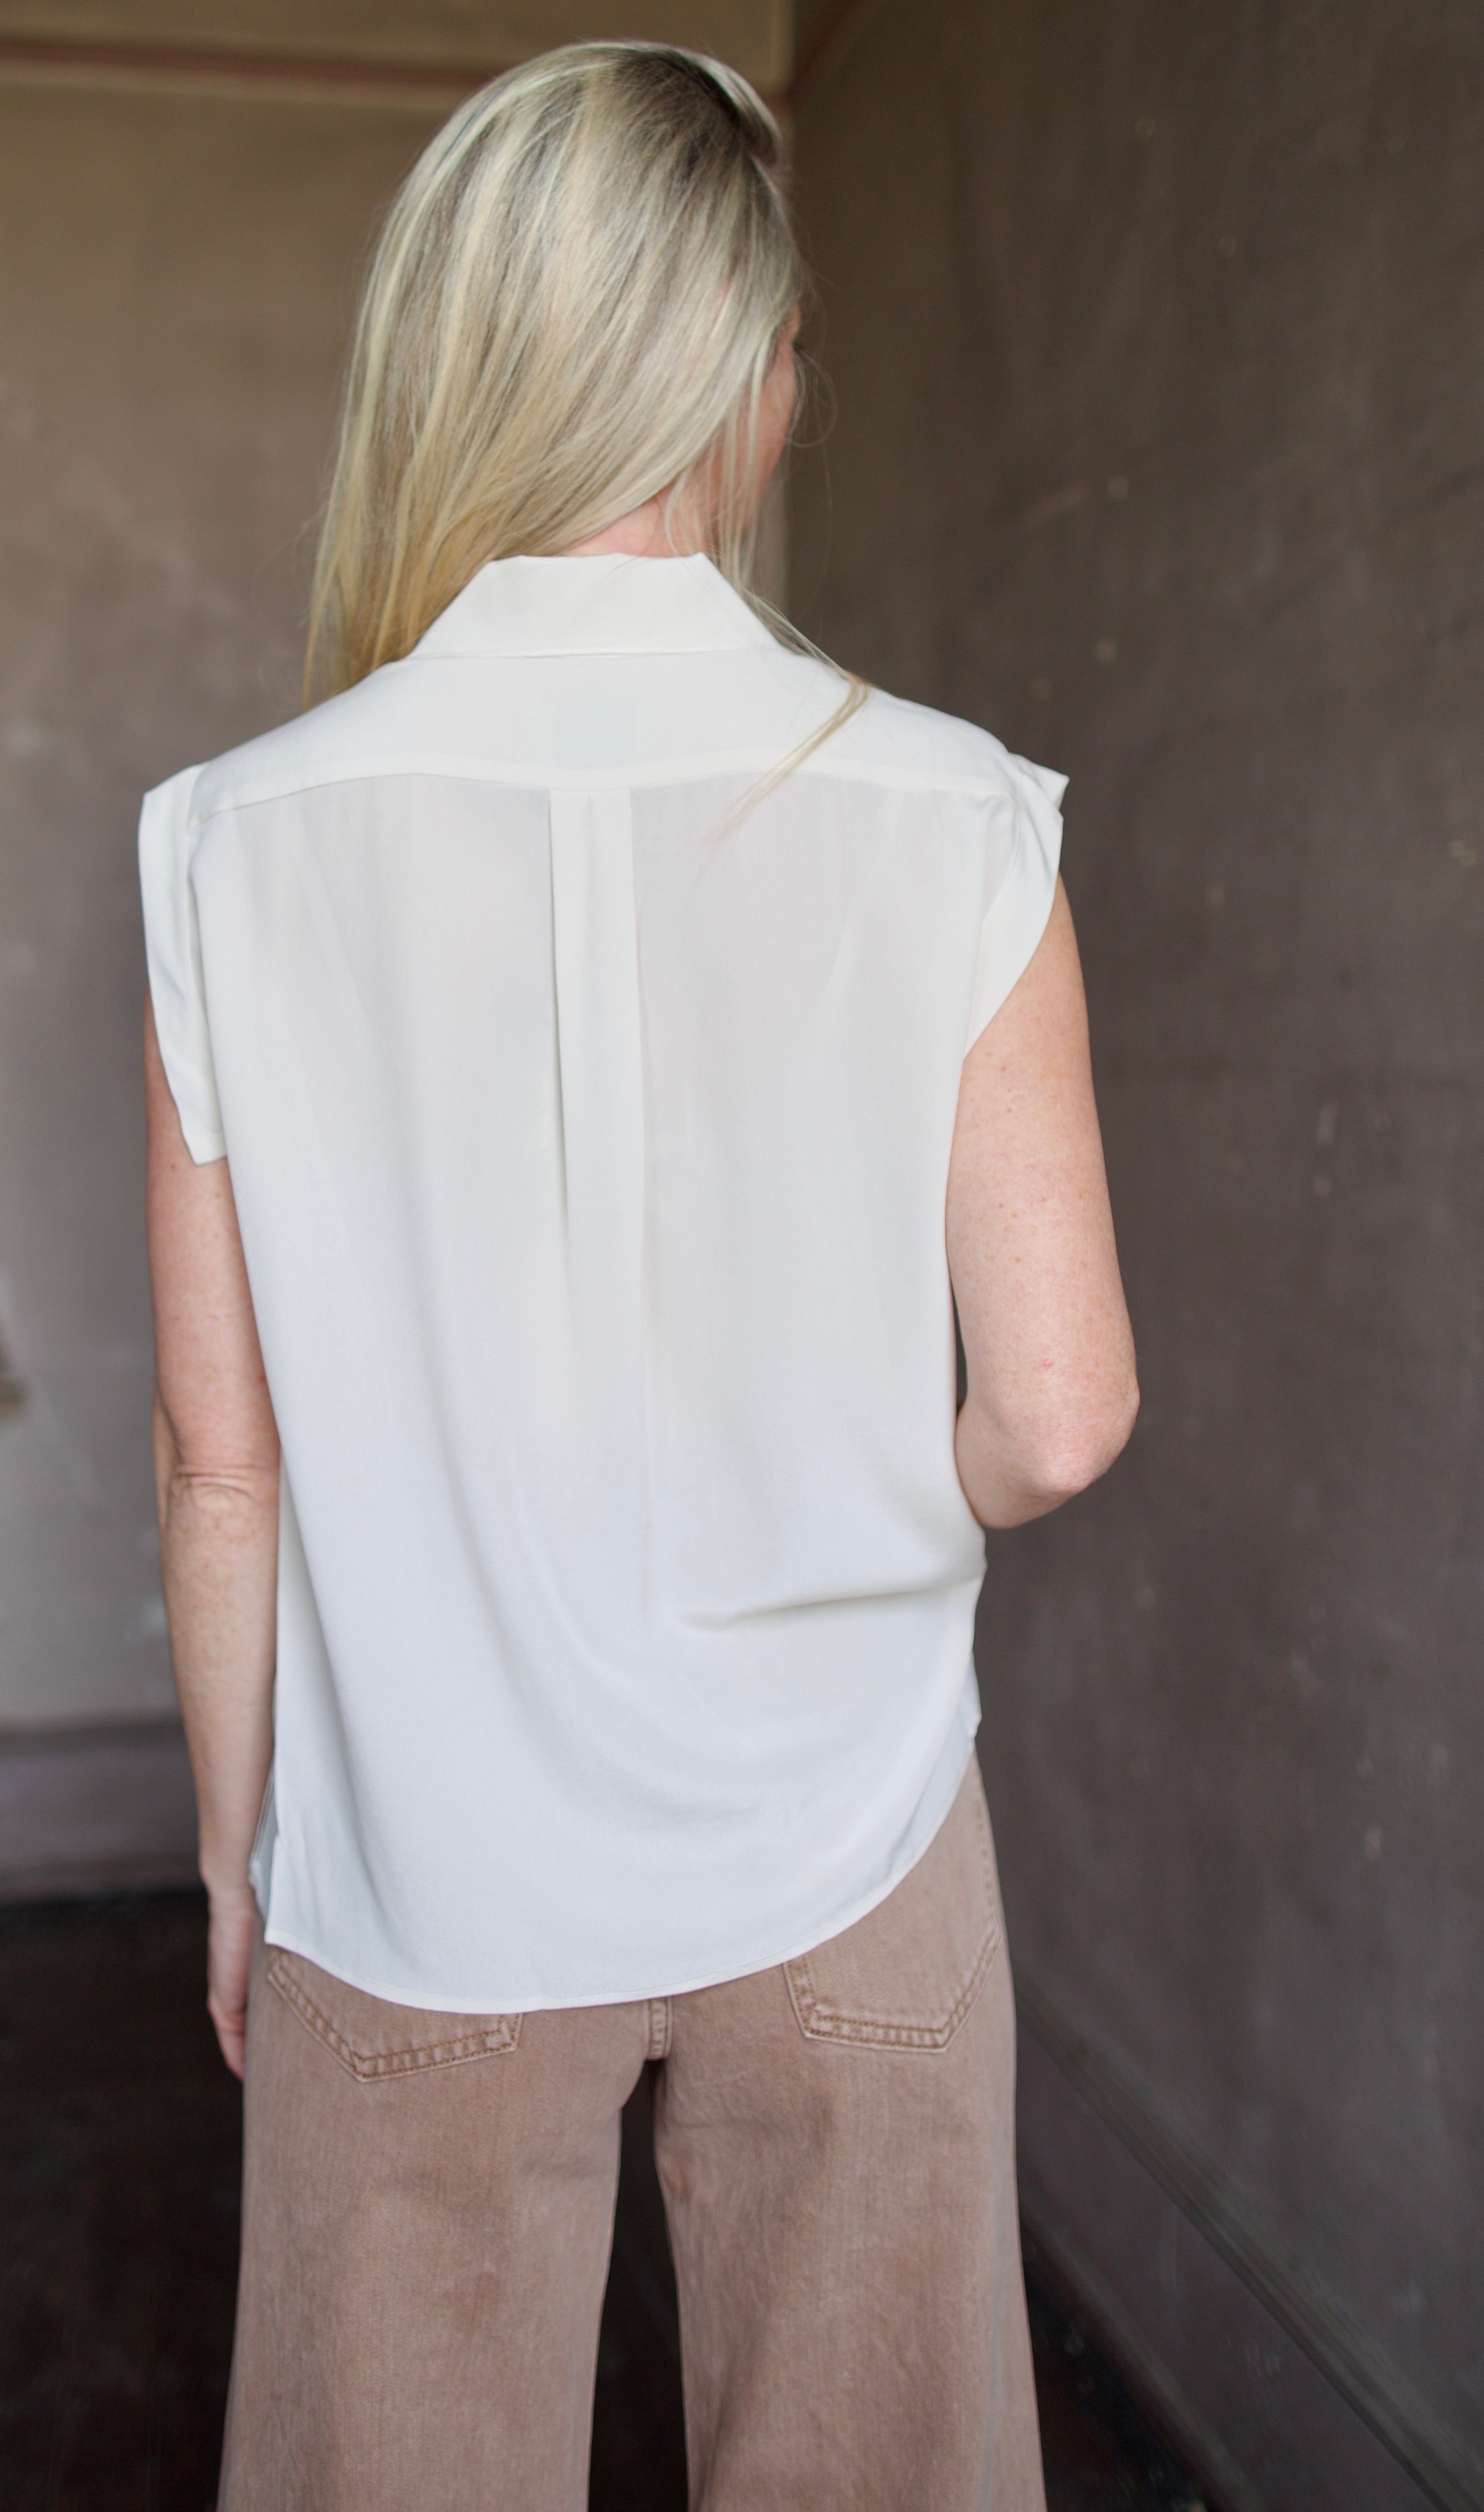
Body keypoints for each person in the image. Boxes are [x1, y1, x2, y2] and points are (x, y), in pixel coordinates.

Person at [141, 41, 1137, 2512]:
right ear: (749, 368)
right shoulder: (958, 815)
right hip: (860, 1840)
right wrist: (818, 1473)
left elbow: (221, 1456)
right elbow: (1057, 1415)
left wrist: (237, 1850)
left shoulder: (234, 847)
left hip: (420, 1867)